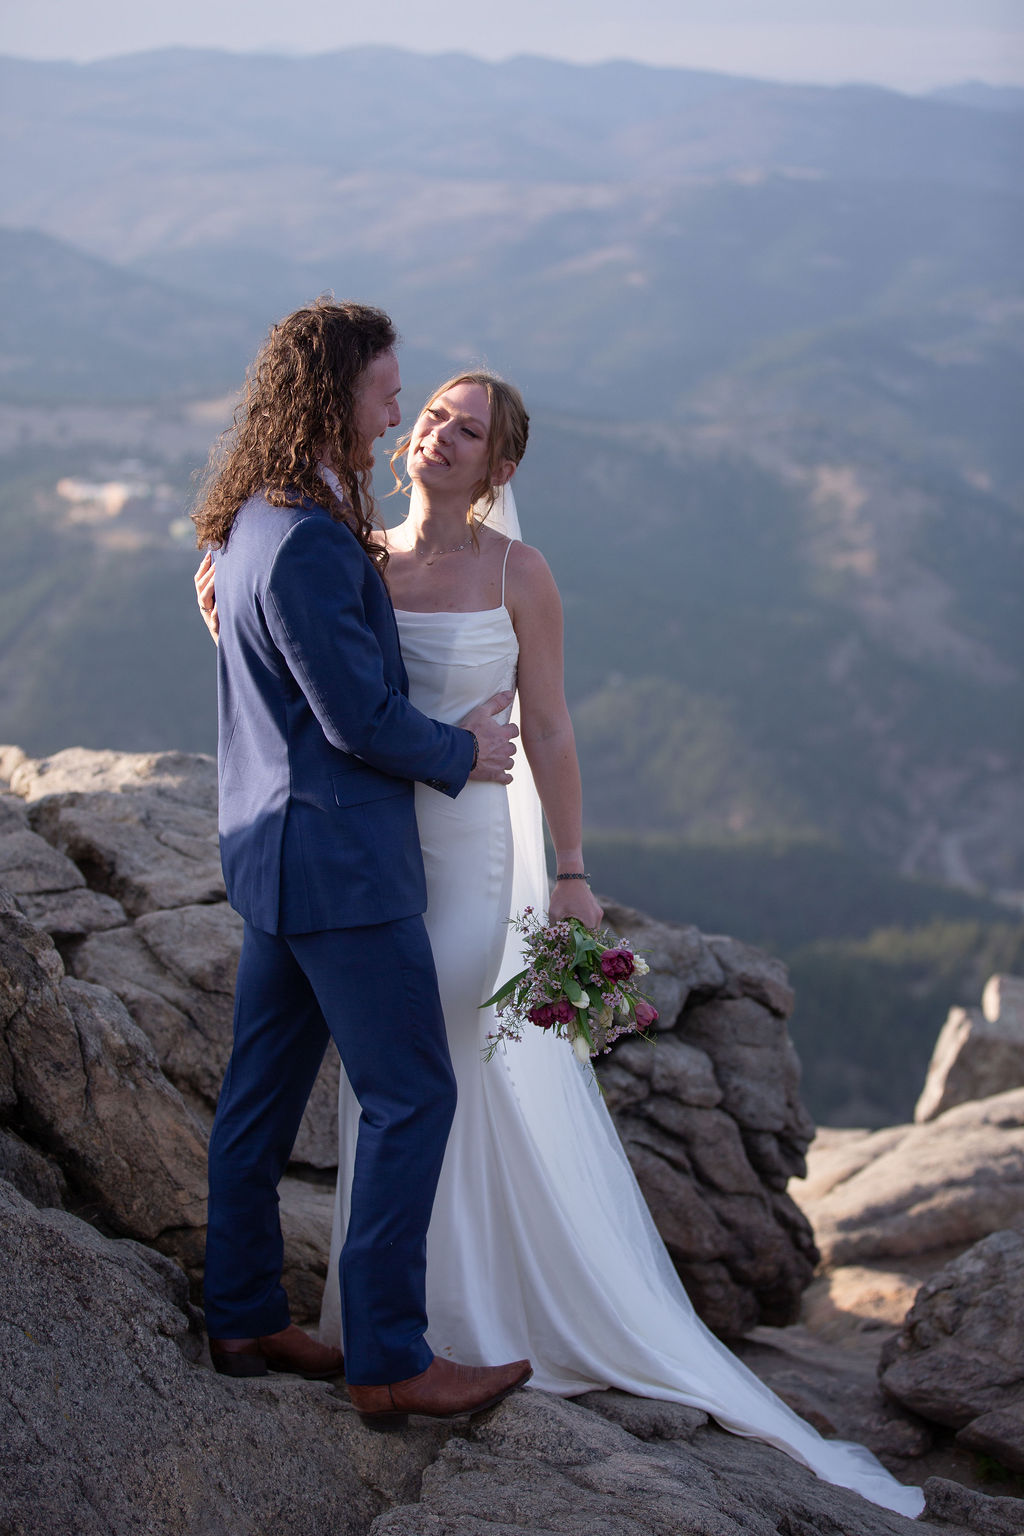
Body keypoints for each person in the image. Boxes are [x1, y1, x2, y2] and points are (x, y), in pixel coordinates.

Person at [196, 364, 924, 1517]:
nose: (435, 432)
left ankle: (446, 1317)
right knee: (403, 1088)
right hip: (375, 849)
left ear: (503, 467)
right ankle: (399, 1332)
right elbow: (320, 673)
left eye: (465, 429)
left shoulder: (516, 573)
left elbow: (551, 729)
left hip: (467, 858)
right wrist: (224, 600)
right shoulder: (353, 550)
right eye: (428, 412)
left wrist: (572, 874)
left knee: (431, 1076)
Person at [191, 299, 531, 1423]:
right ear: (334, 391)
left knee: (260, 1097)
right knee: (407, 1094)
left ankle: (242, 1314)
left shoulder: (254, 520)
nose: (397, 409)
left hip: (276, 858)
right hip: (340, 867)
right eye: (388, 390)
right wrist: (466, 749)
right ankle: (389, 1357)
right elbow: (356, 720)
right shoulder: (303, 542)